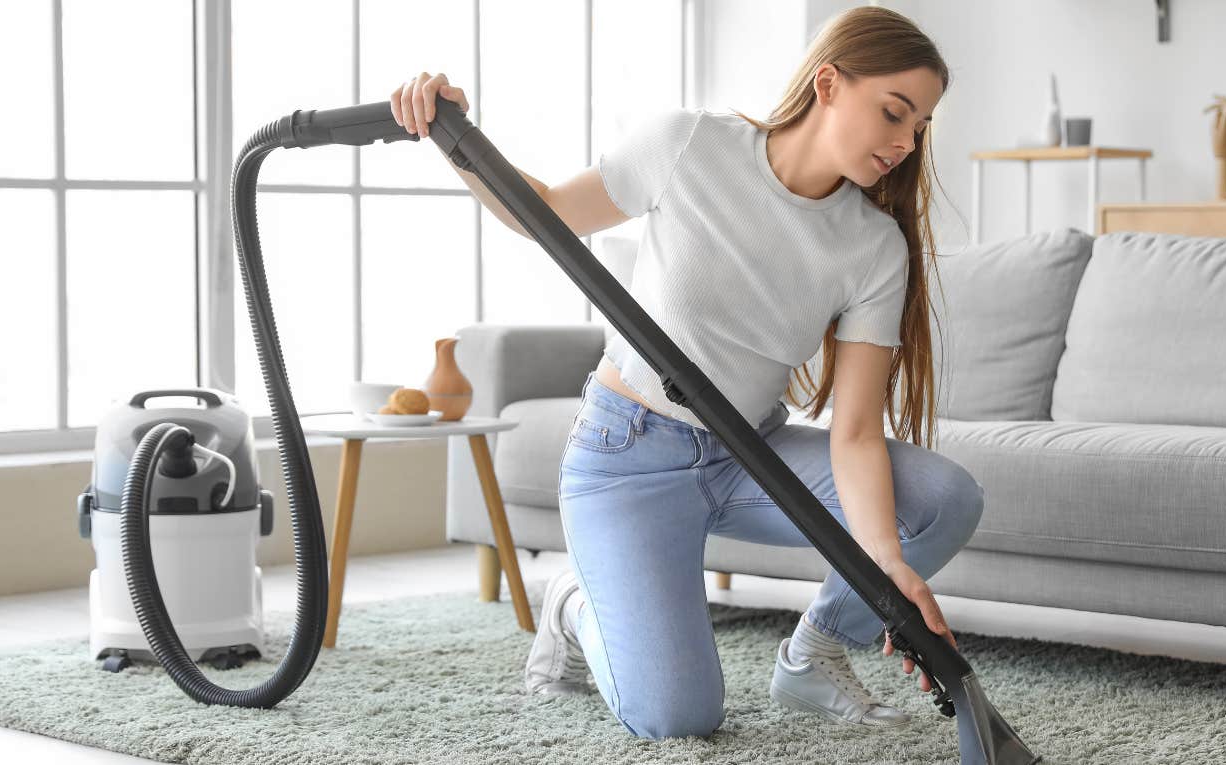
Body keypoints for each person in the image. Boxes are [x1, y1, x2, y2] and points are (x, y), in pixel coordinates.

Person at [390, 5, 979, 742]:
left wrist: (884, 566)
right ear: (828, 82)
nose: (905, 141)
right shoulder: (690, 144)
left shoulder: (873, 248)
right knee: (678, 715)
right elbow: (542, 213)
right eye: (895, 112)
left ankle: (815, 652)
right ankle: (574, 605)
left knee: (945, 499)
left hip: (749, 458)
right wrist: (452, 135)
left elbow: (855, 432)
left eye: (919, 126)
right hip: (629, 457)